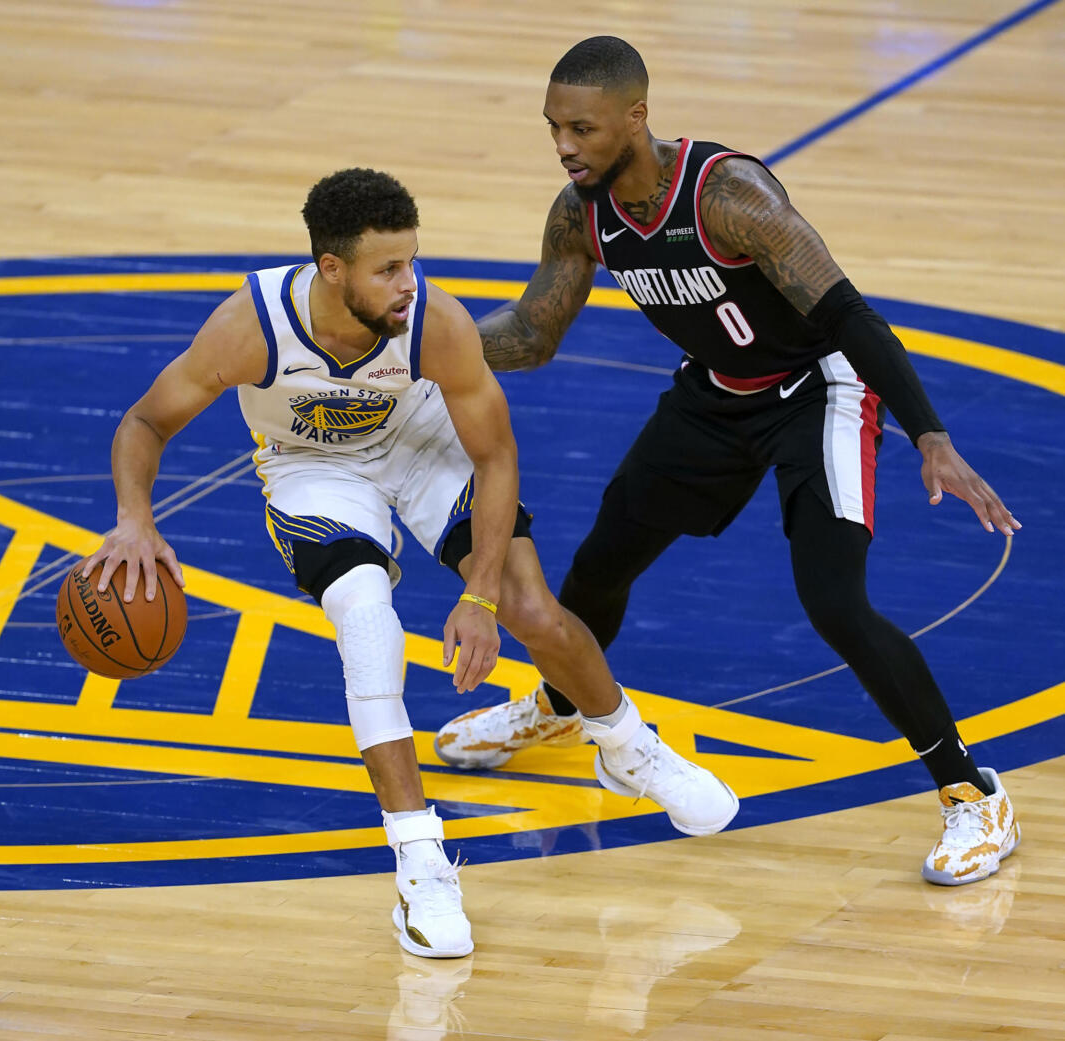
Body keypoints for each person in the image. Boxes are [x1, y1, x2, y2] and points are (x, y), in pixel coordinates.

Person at [81, 168, 738, 960]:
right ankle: (422, 862)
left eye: (412, 261)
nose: (408, 282)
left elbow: (496, 457)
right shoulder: (251, 326)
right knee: (366, 620)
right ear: (332, 269)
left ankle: (630, 748)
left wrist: (481, 594)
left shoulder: (436, 323)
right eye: (387, 268)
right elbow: (146, 421)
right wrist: (132, 520)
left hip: (424, 446)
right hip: (312, 469)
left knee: (534, 609)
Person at [434, 37, 1021, 887]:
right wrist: (423, 347)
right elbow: (532, 334)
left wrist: (929, 430)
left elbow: (850, 314)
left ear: (636, 117)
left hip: (817, 391)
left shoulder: (727, 195)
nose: (566, 146)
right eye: (555, 128)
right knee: (604, 556)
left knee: (834, 600)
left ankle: (973, 792)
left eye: (583, 129)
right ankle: (563, 705)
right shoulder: (581, 212)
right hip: (713, 394)